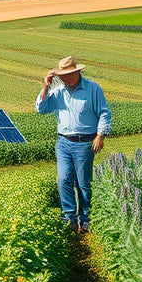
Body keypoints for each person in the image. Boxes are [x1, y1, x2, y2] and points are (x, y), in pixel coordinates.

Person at [35, 55, 111, 233]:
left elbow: (104, 113)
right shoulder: (58, 91)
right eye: (61, 76)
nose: (64, 79)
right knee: (64, 180)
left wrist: (100, 135)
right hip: (63, 142)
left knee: (84, 183)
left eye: (68, 75)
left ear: (77, 72)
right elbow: (41, 108)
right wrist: (46, 86)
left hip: (85, 143)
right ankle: (69, 218)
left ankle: (85, 219)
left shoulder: (92, 89)